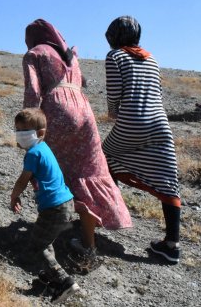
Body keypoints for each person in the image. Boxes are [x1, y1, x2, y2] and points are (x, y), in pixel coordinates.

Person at [23, 19, 132, 257]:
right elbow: (81, 84)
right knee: (90, 171)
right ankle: (88, 238)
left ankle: (52, 231)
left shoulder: (34, 53)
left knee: (55, 172)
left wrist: (28, 127)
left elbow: (32, 93)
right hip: (84, 111)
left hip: (57, 112)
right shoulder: (70, 56)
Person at [103, 16, 181, 264]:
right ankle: (171, 246)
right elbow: (156, 92)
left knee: (102, 158)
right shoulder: (152, 58)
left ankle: (107, 214)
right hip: (160, 125)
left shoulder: (115, 57)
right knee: (168, 181)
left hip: (131, 123)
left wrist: (113, 113)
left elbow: (115, 93)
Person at [10, 108, 80, 305]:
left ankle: (64, 281)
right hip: (66, 204)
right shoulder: (44, 148)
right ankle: (49, 278)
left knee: (38, 244)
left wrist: (14, 196)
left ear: (40, 133)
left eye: (24, 132)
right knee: (46, 240)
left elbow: (23, 180)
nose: (19, 135)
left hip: (54, 208)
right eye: (17, 130)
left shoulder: (33, 153)